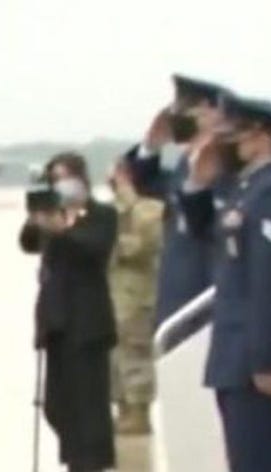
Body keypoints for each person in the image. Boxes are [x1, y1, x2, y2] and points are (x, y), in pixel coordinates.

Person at [178, 93, 271, 472]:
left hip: (255, 367)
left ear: (262, 138)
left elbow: (268, 281)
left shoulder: (269, 192)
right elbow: (204, 232)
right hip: (235, 361)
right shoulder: (245, 189)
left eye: (235, 134)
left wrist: (267, 360)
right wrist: (197, 183)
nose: (226, 143)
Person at [19, 153, 118, 472]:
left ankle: (89, 463)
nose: (60, 185)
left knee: (88, 408)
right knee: (56, 406)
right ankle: (76, 459)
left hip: (88, 323)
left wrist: (62, 230)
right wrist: (37, 217)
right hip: (56, 322)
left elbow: (92, 250)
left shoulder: (102, 215)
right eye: (54, 180)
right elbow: (28, 243)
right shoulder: (53, 213)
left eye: (63, 178)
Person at [124, 74, 228, 327]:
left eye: (185, 110)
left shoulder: (226, 168)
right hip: (174, 303)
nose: (176, 118)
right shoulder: (185, 165)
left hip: (206, 304)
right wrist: (151, 145)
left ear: (211, 112)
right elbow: (146, 184)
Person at [106, 161, 164, 435]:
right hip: (112, 295)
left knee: (135, 354)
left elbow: (143, 244)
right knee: (115, 357)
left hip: (137, 296)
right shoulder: (112, 210)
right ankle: (122, 407)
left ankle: (139, 410)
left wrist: (129, 198)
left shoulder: (149, 209)